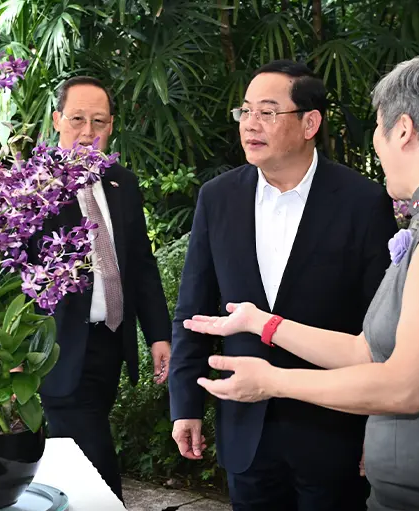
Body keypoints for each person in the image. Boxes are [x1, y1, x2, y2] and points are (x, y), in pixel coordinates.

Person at [181, 55, 419, 511]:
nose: (376, 141)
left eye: (378, 125)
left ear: (403, 129)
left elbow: (404, 388)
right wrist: (263, 324)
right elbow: (365, 350)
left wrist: (273, 382)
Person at [168, 60, 399, 510]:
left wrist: (379, 424)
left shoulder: (363, 202)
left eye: (268, 112)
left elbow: (382, 326)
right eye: (246, 111)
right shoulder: (218, 198)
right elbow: (192, 310)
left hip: (333, 432)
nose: (251, 124)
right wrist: (186, 404)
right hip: (245, 429)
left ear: (310, 122)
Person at [34, 76, 172, 502]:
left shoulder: (122, 183)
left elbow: (141, 267)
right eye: (77, 119)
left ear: (111, 126)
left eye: (98, 121)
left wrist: (160, 335)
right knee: (94, 462)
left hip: (108, 342)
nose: (87, 132)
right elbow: (8, 274)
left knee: (70, 459)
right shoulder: (31, 186)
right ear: (57, 120)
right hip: (53, 349)